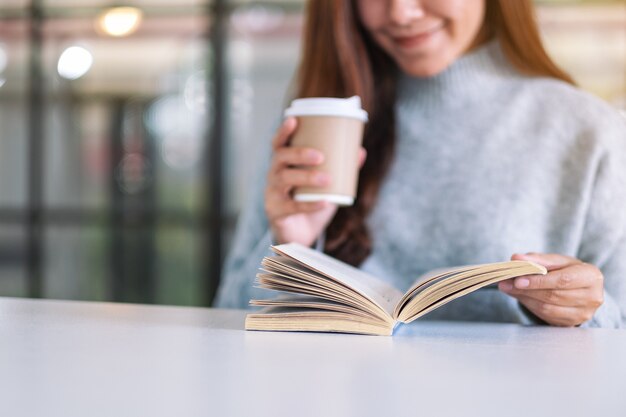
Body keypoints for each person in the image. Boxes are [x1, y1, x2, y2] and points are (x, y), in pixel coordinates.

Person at [215, 0, 626, 328]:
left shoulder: (589, 131)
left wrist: (584, 311)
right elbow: (228, 316)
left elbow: (617, 326)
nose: (401, 13)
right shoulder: (312, 127)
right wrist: (291, 243)